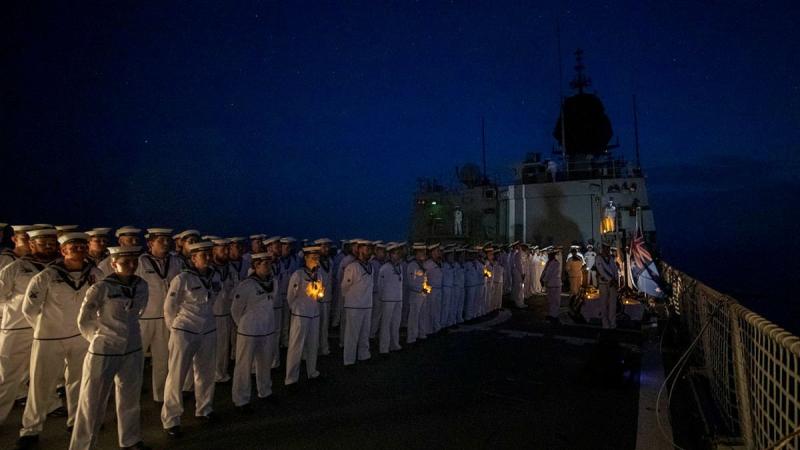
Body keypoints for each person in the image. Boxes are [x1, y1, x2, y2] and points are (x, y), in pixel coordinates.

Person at [17, 232, 103, 448]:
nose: (80, 250)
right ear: (63, 250)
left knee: (78, 382)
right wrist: (45, 328)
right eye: (74, 247)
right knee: (40, 385)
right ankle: (30, 429)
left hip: (80, 337)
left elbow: (102, 302)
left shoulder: (95, 273)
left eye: (83, 246)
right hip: (49, 338)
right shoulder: (46, 275)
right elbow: (29, 310)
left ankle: (75, 421)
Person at [69, 246, 150, 450]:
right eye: (125, 262)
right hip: (104, 349)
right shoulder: (101, 288)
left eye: (134, 261)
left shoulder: (142, 285)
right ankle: (83, 445)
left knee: (130, 397)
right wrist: (98, 338)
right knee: (92, 401)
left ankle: (130, 440)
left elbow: (138, 312)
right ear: (113, 264)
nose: (131, 265)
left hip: (132, 347)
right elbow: (84, 320)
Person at [161, 241, 222, 438]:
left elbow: (214, 298)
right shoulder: (182, 279)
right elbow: (169, 308)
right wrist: (175, 330)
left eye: (208, 253)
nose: (207, 257)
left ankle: (204, 409)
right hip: (185, 329)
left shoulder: (215, 275)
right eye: (202, 254)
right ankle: (171, 418)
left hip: (208, 328)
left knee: (205, 372)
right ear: (193, 258)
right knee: (177, 376)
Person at [0, 228, 60, 426]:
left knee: (44, 374)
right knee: (7, 376)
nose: (49, 246)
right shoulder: (16, 268)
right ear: (32, 245)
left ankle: (47, 408)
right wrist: (14, 307)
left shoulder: (61, 268)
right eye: (43, 243)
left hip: (47, 330)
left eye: (52, 243)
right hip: (17, 328)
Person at [136, 228, 181, 403]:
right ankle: (132, 392)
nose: (165, 243)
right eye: (160, 240)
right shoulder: (140, 262)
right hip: (144, 317)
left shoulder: (176, 261)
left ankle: (160, 395)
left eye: (167, 239)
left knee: (162, 358)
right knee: (136, 358)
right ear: (150, 243)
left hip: (165, 318)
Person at [230, 251, 276, 411]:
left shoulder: (273, 281)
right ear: (256, 266)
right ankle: (241, 399)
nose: (269, 266)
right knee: (243, 366)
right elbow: (235, 310)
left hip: (267, 329)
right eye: (265, 264)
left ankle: (265, 391)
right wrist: (243, 325)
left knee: (265, 363)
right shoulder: (247, 285)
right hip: (249, 331)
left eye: (270, 263)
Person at [285, 245, 323, 385]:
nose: (316, 261)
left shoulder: (318, 274)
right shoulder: (298, 275)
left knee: (313, 345)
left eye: (318, 258)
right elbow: (290, 297)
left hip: (314, 313)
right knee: (296, 347)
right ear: (306, 258)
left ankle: (312, 371)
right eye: (313, 258)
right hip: (300, 315)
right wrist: (297, 310)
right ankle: (291, 378)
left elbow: (319, 293)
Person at [340, 239, 374, 365]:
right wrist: (351, 299)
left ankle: (363, 355)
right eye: (366, 248)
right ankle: (349, 360)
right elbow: (344, 287)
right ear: (359, 249)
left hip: (367, 304)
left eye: (370, 249)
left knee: (365, 333)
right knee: (352, 335)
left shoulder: (370, 266)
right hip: (354, 306)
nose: (369, 251)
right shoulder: (352, 267)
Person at [210, 238, 237, 383]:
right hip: (212, 314)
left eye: (227, 249)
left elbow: (236, 286)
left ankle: (221, 372)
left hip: (226, 312)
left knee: (223, 347)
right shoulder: (208, 269)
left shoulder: (230, 268)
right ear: (214, 250)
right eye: (222, 249)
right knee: (210, 347)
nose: (226, 252)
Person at [377, 243, 404, 353]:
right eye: (395, 254)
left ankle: (395, 344)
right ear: (390, 255)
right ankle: (384, 348)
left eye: (398, 253)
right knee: (386, 324)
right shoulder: (385, 268)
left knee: (396, 323)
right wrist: (382, 298)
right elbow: (380, 285)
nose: (397, 256)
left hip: (398, 298)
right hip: (388, 299)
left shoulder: (400, 267)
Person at [314, 238, 334, 355]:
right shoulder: (315, 262)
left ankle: (324, 347)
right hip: (317, 299)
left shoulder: (330, 261)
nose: (326, 249)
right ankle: (314, 348)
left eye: (328, 247)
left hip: (327, 297)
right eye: (324, 247)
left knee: (324, 326)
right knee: (316, 326)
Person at [405, 243, 427, 343]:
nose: (424, 254)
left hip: (422, 294)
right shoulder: (412, 265)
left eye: (424, 252)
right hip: (415, 294)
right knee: (413, 316)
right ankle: (411, 338)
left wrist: (425, 288)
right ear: (417, 253)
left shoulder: (421, 265)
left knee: (422, 315)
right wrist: (420, 289)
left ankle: (421, 333)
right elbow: (410, 282)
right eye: (422, 252)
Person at [595, 243, 620, 329]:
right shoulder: (599, 258)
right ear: (603, 248)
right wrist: (611, 280)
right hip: (604, 284)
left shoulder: (611, 258)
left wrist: (616, 280)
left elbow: (615, 270)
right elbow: (601, 271)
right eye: (606, 248)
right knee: (604, 304)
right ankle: (605, 324)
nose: (607, 250)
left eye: (608, 248)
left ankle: (613, 324)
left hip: (612, 284)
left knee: (613, 305)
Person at [422, 243, 443, 334]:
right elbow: (424, 277)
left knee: (437, 309)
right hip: (432, 290)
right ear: (431, 253)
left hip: (439, 288)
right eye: (436, 251)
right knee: (431, 310)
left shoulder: (439, 263)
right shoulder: (427, 264)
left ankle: (436, 327)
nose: (438, 253)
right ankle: (430, 330)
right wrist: (426, 288)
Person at [540, 248, 562, 324]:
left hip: (555, 284)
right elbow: (545, 271)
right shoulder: (549, 262)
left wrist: (544, 280)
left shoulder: (555, 263)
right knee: (550, 300)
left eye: (550, 255)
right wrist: (542, 278)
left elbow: (549, 273)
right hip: (550, 284)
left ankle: (554, 316)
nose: (548, 256)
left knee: (555, 301)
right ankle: (551, 314)